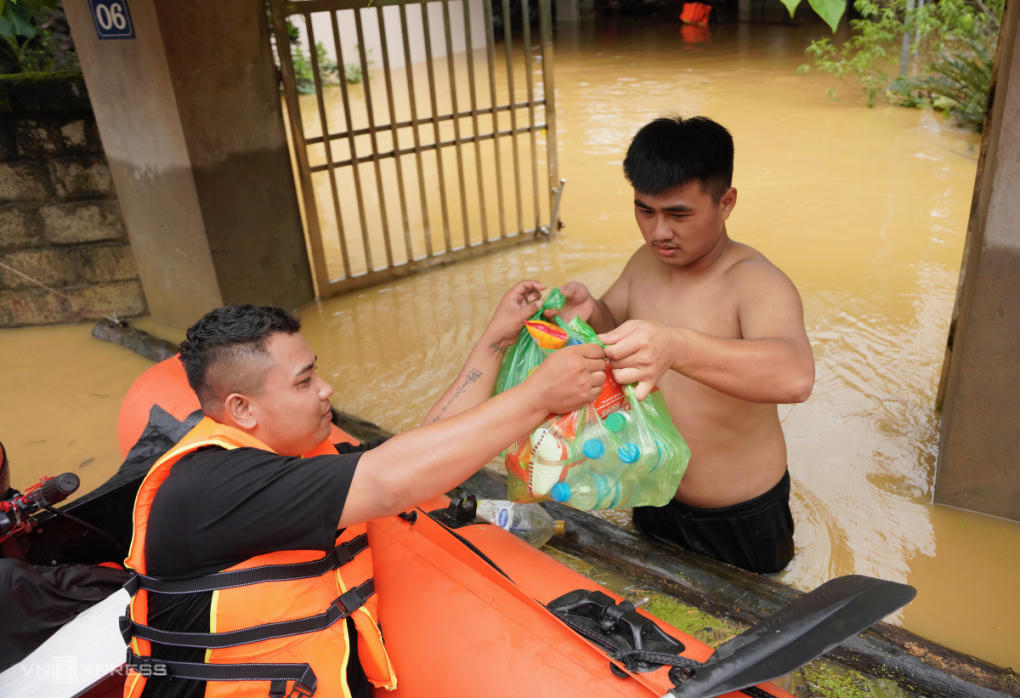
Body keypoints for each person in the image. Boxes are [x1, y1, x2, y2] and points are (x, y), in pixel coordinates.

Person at [121, 282, 605, 698]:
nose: (327, 388)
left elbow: (423, 450)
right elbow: (390, 481)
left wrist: (496, 340)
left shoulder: (295, 460)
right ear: (242, 409)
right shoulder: (212, 487)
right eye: (305, 381)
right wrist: (540, 395)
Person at [545, 116, 815, 574]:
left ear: (726, 202)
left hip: (737, 514)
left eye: (678, 214)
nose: (658, 232)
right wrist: (591, 312)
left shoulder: (754, 281)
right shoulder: (645, 263)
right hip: (653, 492)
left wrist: (678, 347)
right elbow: (615, 326)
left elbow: (795, 376)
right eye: (645, 211)